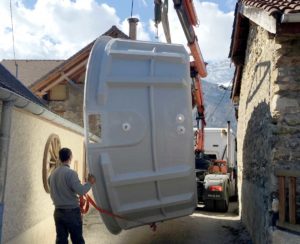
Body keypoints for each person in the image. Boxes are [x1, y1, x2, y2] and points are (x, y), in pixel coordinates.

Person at [49, 147, 96, 244]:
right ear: (70, 157)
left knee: (61, 240)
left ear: (60, 158)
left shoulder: (52, 175)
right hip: (71, 213)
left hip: (58, 212)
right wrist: (90, 183)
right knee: (77, 240)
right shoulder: (71, 173)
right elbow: (81, 191)